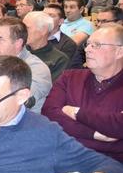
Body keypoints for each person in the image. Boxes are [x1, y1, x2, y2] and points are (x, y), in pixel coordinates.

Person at [42, 24, 123, 162]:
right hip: (63, 158)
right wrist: (94, 134)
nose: (87, 49)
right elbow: (49, 114)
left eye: (96, 45)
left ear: (119, 52)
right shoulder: (69, 77)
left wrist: (75, 112)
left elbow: (118, 127)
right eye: (88, 44)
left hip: (112, 164)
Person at [23, 11, 69, 82]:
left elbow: (52, 89)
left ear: (43, 30)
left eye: (27, 28)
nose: (22, 32)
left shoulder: (59, 60)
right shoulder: (19, 51)